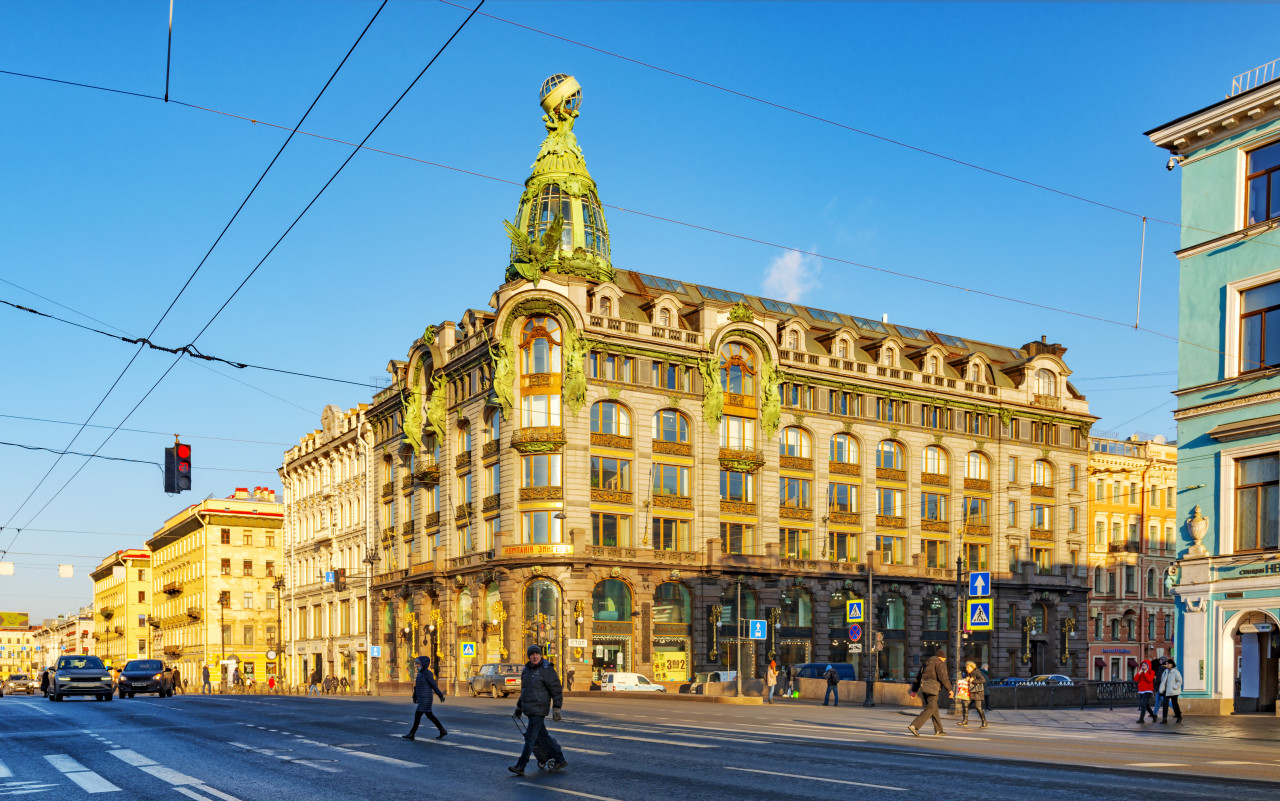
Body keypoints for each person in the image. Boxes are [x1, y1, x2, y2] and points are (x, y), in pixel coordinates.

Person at [510, 644, 567, 776]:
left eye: (536, 654)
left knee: (530, 738)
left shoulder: (547, 670)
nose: (534, 656)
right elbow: (524, 691)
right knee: (543, 736)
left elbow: (556, 690)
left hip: (539, 709)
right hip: (530, 709)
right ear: (529, 656)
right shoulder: (526, 671)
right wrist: (519, 707)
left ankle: (521, 765)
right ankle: (560, 759)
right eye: (532, 654)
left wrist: (557, 708)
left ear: (540, 655)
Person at [908, 648, 952, 737]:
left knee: (934, 708)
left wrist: (914, 691)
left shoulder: (926, 664)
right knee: (930, 709)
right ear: (942, 657)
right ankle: (914, 725)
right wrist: (950, 690)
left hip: (924, 688)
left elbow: (918, 677)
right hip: (933, 688)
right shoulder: (940, 663)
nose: (945, 660)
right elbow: (944, 677)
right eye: (944, 659)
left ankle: (939, 730)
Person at [402, 656, 447, 741]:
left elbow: (433, 685)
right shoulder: (420, 674)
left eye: (418, 664)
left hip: (426, 698)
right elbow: (416, 687)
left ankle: (412, 733)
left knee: (417, 715)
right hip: (422, 698)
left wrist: (440, 695)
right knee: (429, 715)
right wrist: (414, 696)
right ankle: (442, 730)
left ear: (423, 664)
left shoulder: (427, 673)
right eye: (416, 664)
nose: (416, 666)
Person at [958, 661, 987, 728]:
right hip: (970, 692)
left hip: (977, 692)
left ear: (972, 667)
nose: (966, 669)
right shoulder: (968, 673)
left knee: (978, 707)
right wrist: (966, 679)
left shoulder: (977, 672)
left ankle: (984, 722)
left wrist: (973, 680)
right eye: (966, 667)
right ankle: (965, 721)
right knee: (965, 704)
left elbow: (983, 680)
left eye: (968, 667)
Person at [1159, 658, 1183, 723]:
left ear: (1172, 664)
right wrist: (1162, 688)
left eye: (1169, 664)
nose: (1167, 665)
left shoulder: (1175, 672)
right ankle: (1164, 719)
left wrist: (1174, 687)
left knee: (1175, 704)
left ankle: (1179, 717)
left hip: (1173, 691)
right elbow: (1163, 680)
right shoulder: (1165, 671)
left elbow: (1179, 681)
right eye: (1166, 664)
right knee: (1165, 705)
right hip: (1166, 691)